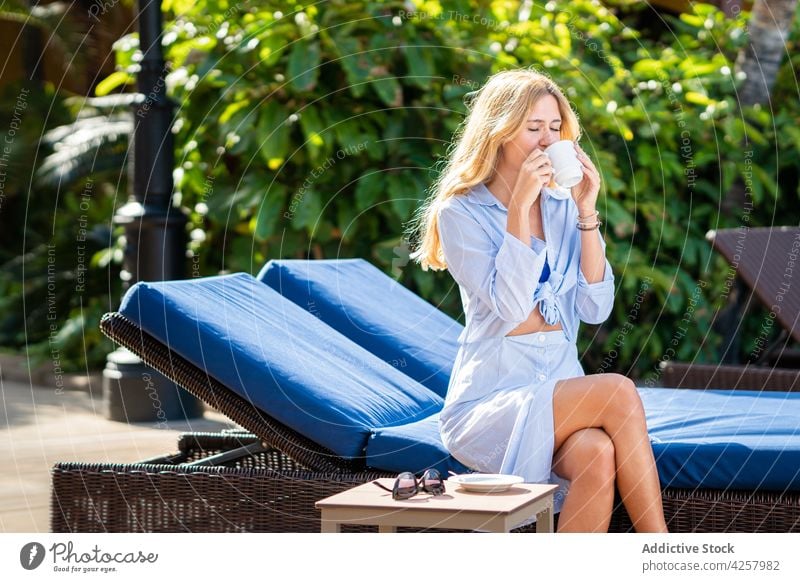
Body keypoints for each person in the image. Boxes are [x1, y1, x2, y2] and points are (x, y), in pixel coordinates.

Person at [407, 68, 668, 533]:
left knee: (596, 453)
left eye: (554, 128)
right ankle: (662, 550)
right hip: (491, 403)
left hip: (555, 390)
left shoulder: (563, 207)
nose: (547, 141)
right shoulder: (460, 212)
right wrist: (519, 211)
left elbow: (594, 308)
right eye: (533, 129)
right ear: (500, 132)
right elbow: (509, 308)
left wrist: (586, 211)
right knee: (619, 390)